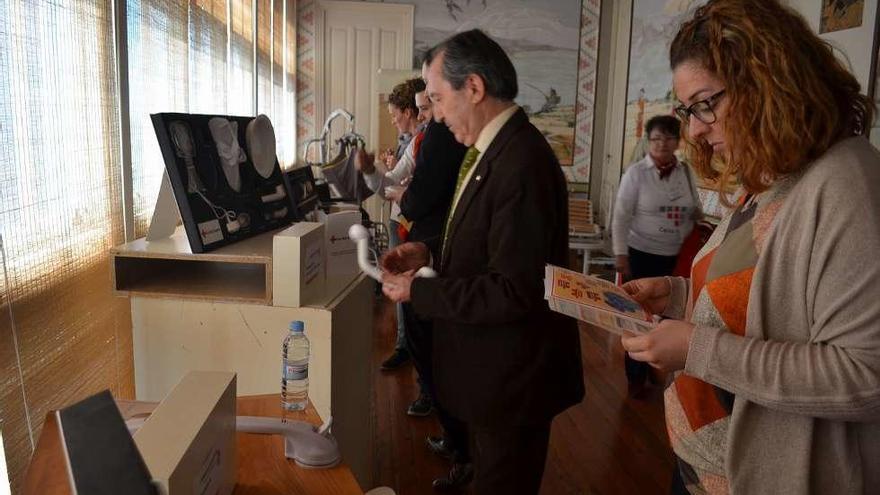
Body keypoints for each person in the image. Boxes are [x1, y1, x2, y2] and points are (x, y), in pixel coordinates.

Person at [620, 1, 880, 493]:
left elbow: (865, 376)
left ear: (767, 82)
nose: (694, 129)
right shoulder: (775, 174)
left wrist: (695, 349)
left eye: (704, 104)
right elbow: (769, 297)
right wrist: (676, 295)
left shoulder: (848, 187)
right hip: (703, 463)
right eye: (687, 110)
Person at [381, 29, 584, 494]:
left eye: (436, 99)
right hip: (494, 374)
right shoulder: (493, 149)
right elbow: (490, 241)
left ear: (473, 88)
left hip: (512, 380)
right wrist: (430, 252)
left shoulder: (521, 161)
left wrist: (420, 288)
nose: (432, 115)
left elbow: (515, 289)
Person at [395, 84, 471, 481]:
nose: (428, 113)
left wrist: (405, 198)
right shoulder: (452, 134)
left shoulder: (442, 133)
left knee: (432, 354)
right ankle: (457, 441)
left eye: (433, 102)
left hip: (436, 253)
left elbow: (419, 197)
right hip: (435, 250)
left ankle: (461, 447)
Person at [611, 114, 702, 398]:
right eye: (656, 138)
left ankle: (656, 363)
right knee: (638, 317)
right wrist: (620, 254)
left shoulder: (685, 172)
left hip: (675, 257)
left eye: (669, 137)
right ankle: (635, 376)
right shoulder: (636, 173)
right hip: (641, 254)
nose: (662, 143)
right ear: (648, 141)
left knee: (668, 316)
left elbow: (695, 207)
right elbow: (621, 217)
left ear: (677, 141)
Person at [356, 78, 422, 372]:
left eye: (396, 115)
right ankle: (405, 345)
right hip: (402, 219)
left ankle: (411, 349)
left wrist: (378, 174)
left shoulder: (426, 139)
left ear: (410, 111)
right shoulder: (414, 142)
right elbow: (393, 182)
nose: (394, 121)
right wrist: (372, 170)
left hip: (415, 223)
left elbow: (395, 183)